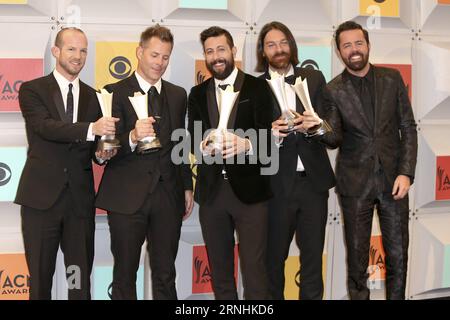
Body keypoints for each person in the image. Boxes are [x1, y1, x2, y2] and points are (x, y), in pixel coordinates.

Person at [15, 27, 119, 300]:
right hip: (40, 202)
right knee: (40, 282)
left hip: (79, 205)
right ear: (56, 51)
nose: (78, 56)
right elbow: (45, 128)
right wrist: (90, 129)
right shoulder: (32, 90)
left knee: (78, 280)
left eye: (83, 50)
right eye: (72, 49)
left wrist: (101, 155)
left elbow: (95, 149)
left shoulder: (95, 96)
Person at [95, 25, 194, 300]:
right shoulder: (112, 92)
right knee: (124, 275)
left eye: (165, 56)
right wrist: (131, 136)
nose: (159, 63)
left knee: (165, 274)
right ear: (139, 52)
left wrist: (186, 184)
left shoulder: (177, 95)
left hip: (168, 195)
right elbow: (103, 149)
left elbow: (180, 142)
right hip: (127, 198)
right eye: (154, 55)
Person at [322, 21, 418, 300]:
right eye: (347, 45)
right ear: (339, 51)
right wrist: (316, 128)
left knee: (399, 255)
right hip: (355, 185)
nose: (354, 50)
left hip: (394, 182)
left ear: (368, 45)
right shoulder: (332, 90)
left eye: (358, 43)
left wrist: (406, 172)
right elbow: (334, 139)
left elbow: (408, 126)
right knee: (357, 260)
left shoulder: (392, 78)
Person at [187, 26, 273, 300]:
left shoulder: (259, 87)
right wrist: (202, 144)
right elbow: (192, 139)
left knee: (255, 273)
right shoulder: (197, 93)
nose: (216, 57)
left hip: (252, 194)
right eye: (210, 52)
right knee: (221, 274)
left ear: (234, 50)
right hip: (212, 195)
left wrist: (247, 144)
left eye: (221, 49)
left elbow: (271, 139)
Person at [256, 21, 335, 300]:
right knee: (273, 262)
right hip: (275, 188)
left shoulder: (314, 78)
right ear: (263, 52)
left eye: (283, 42)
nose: (278, 49)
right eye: (271, 45)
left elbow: (332, 132)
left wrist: (316, 126)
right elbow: (249, 143)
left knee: (313, 261)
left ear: (291, 45)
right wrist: (272, 134)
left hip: (313, 186)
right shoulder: (252, 86)